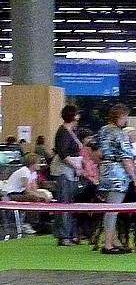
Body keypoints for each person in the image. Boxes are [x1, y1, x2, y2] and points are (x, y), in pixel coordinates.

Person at [96, 103, 136, 254]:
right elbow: (126, 159)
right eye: (125, 117)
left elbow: (93, 149)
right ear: (120, 116)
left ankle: (114, 240)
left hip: (104, 173)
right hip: (117, 176)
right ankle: (108, 244)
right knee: (113, 210)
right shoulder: (120, 134)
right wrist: (135, 181)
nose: (126, 120)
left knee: (108, 210)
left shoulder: (103, 131)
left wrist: (103, 161)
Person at [52, 104, 83, 245]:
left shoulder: (71, 131)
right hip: (65, 170)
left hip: (72, 170)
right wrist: (76, 166)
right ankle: (64, 236)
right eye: (77, 114)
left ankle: (71, 233)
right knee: (64, 203)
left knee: (71, 202)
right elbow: (63, 153)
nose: (79, 116)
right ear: (72, 116)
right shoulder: (63, 132)